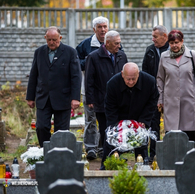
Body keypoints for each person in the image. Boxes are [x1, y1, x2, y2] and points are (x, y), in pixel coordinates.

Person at [26, 26, 81, 147]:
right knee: (41, 127)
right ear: (45, 38)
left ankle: (60, 154)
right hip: (43, 97)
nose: (51, 42)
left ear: (60, 38)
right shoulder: (39, 52)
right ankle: (45, 151)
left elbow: (76, 76)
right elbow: (34, 75)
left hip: (62, 98)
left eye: (54, 39)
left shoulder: (70, 52)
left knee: (61, 131)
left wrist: (76, 97)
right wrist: (30, 97)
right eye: (49, 39)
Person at [101, 62, 159, 169]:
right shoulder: (112, 83)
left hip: (140, 115)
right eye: (128, 79)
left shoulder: (149, 82)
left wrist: (144, 119)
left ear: (139, 74)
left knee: (141, 142)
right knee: (111, 143)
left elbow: (152, 102)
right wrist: (115, 126)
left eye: (134, 79)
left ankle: (143, 166)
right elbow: (110, 107)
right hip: (119, 116)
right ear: (122, 74)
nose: (131, 82)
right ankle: (106, 168)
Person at [85, 30, 127, 161]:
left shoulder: (122, 56)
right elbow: (89, 80)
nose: (119, 46)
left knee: (118, 129)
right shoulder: (94, 57)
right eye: (116, 44)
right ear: (107, 43)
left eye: (119, 43)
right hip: (101, 100)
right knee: (105, 129)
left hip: (119, 101)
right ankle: (107, 157)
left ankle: (117, 156)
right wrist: (90, 99)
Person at [156, 30, 195, 141]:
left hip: (189, 101)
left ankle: (188, 158)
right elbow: (160, 79)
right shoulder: (164, 56)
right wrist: (160, 99)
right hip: (171, 101)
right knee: (172, 135)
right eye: (172, 43)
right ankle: (172, 158)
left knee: (188, 136)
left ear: (182, 41)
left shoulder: (193, 55)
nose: (174, 45)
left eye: (177, 42)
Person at [76, 16, 109, 160]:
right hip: (89, 89)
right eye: (100, 27)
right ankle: (90, 148)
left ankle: (104, 148)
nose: (103, 30)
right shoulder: (85, 45)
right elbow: (76, 63)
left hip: (108, 90)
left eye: (105, 27)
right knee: (90, 119)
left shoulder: (112, 42)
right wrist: (91, 61)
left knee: (106, 120)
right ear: (94, 29)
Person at [142, 25, 169, 161]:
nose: (152, 39)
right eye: (152, 36)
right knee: (153, 124)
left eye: (155, 37)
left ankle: (171, 153)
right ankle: (153, 154)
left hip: (170, 92)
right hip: (153, 94)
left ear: (165, 36)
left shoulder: (172, 48)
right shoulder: (150, 50)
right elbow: (145, 72)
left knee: (171, 124)